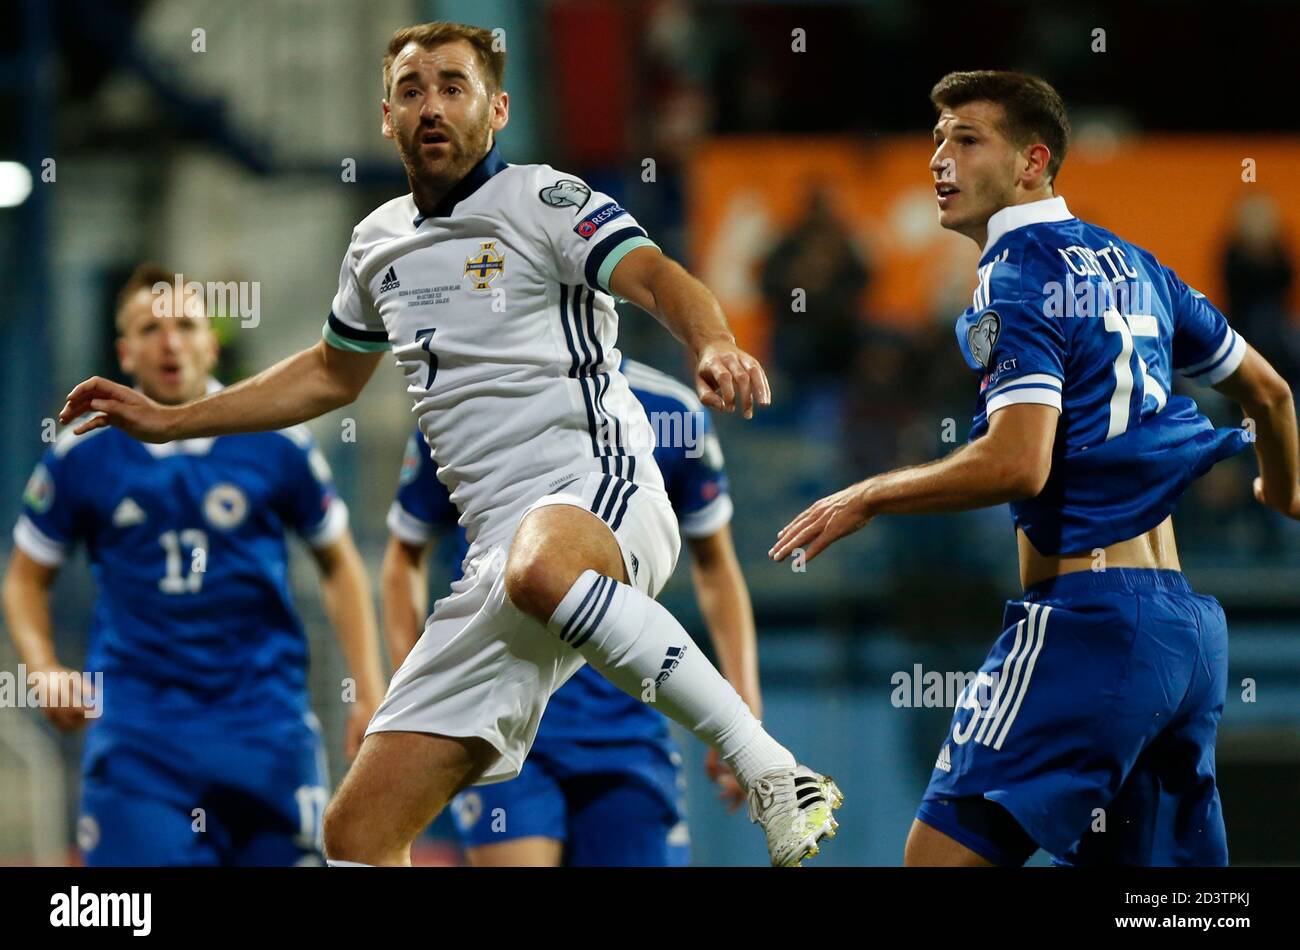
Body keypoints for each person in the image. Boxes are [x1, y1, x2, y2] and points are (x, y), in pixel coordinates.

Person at [59, 21, 842, 867]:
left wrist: (712, 340)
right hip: (493, 562)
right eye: (411, 89)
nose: (431, 104)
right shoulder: (376, 243)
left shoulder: (545, 200)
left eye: (454, 86)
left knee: (543, 568)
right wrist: (173, 419)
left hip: (597, 490)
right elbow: (330, 374)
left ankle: (773, 770)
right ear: (386, 115)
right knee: (357, 834)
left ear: (498, 109)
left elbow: (657, 275)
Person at [770, 70, 1300, 866]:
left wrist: (873, 494)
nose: (939, 159)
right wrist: (1282, 491)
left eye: (967, 138)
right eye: (937, 139)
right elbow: (1271, 391)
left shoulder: (1015, 272)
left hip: (1087, 624)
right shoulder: (1139, 268)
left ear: (1032, 161)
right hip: (1187, 638)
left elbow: (1019, 462)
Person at [3, 265, 386, 865]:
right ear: (125, 353)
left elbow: (338, 563)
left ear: (211, 341)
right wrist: (43, 666)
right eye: (150, 328)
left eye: (185, 324)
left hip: (266, 728)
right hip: (141, 739)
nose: (170, 340)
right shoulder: (81, 453)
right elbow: (26, 575)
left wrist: (368, 691)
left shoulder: (276, 439)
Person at [384, 356, 758, 866]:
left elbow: (715, 566)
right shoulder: (465, 402)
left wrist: (743, 704)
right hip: (499, 712)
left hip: (627, 718)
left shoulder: (673, 412)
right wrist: (421, 698)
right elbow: (404, 554)